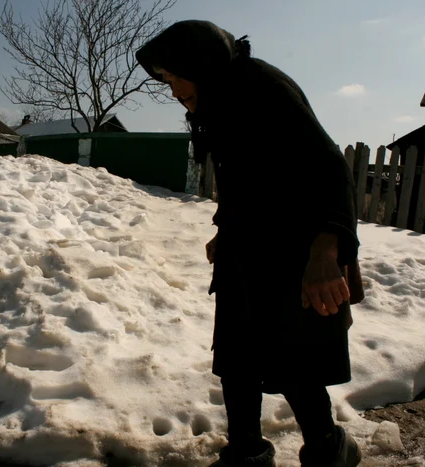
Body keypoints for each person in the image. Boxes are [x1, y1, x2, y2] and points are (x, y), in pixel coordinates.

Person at [136, 20, 364, 467]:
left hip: (293, 250)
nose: (172, 89)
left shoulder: (265, 88)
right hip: (247, 250)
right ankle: (246, 452)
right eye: (165, 80)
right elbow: (245, 177)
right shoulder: (222, 101)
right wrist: (226, 229)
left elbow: (331, 169)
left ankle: (328, 449)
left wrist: (325, 253)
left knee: (292, 360)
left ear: (198, 63)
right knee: (237, 360)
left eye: (174, 76)